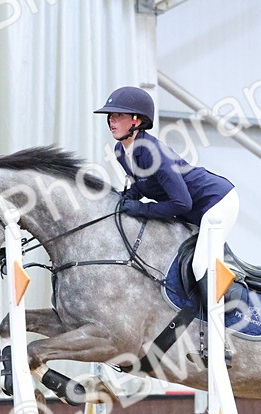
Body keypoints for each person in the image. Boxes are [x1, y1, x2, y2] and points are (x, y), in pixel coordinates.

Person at [94, 86, 238, 283]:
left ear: (137, 120)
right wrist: (130, 195)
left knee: (200, 266)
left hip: (216, 201)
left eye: (119, 115)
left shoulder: (155, 153)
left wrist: (142, 208)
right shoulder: (120, 151)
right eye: (110, 116)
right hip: (191, 209)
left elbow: (182, 203)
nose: (112, 120)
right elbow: (144, 182)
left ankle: (222, 314)